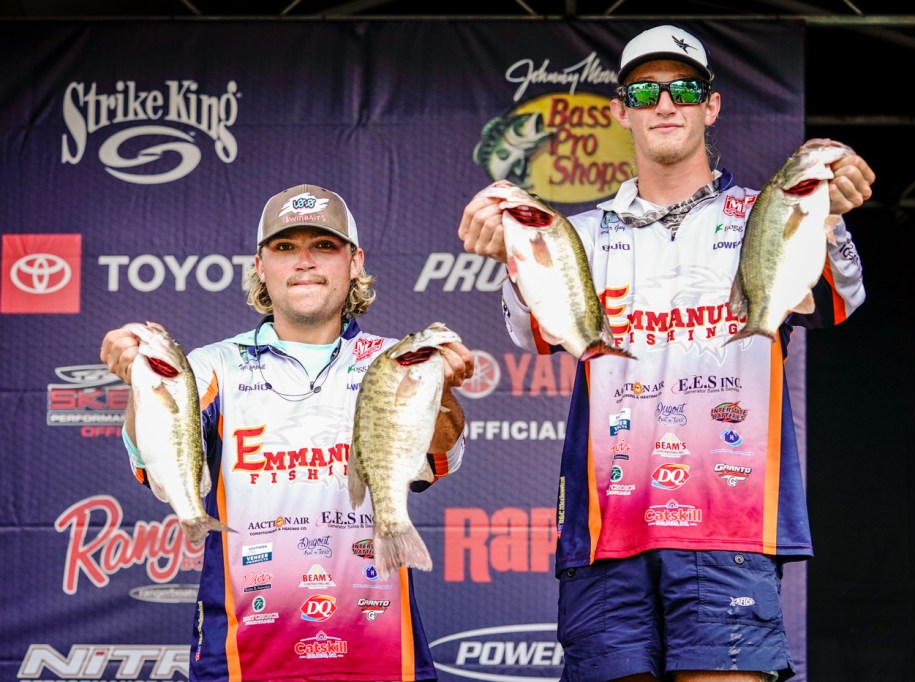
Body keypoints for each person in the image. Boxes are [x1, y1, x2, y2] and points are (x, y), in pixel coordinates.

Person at [457, 25, 875, 682]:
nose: (664, 104)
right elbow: (532, 334)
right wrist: (508, 252)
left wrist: (829, 214)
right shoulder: (577, 234)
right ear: (620, 111)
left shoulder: (767, 211)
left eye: (683, 89)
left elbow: (839, 300)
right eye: (643, 91)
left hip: (730, 523)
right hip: (607, 529)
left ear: (710, 105)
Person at [100, 183, 474, 681]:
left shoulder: (394, 360)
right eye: (284, 247)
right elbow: (155, 469)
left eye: (324, 245)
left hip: (380, 652)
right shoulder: (212, 365)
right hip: (244, 655)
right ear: (260, 265)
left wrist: (440, 389)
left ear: (355, 262)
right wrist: (141, 385)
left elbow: (441, 461)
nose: (304, 261)